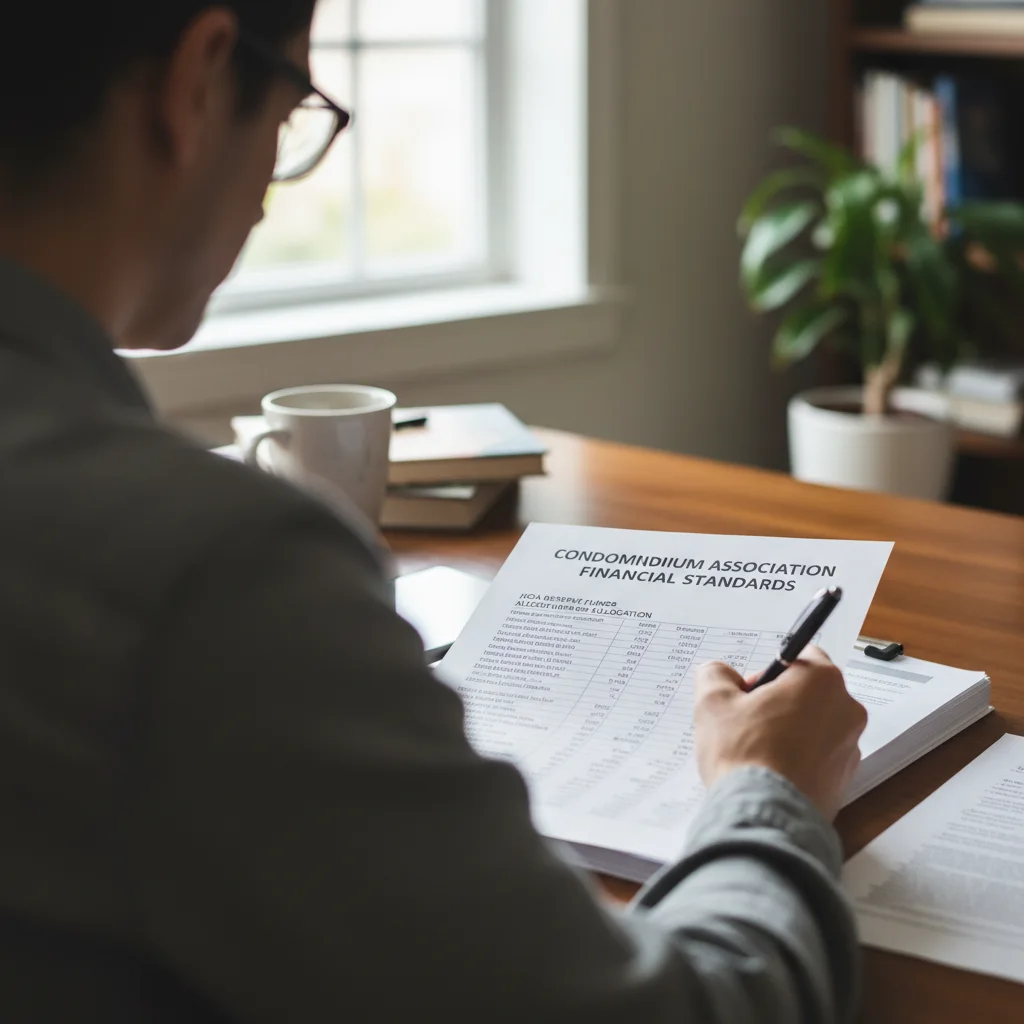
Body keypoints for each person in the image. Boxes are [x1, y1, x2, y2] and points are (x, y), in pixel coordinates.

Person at [0, 2, 868, 1021]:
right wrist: (768, 786)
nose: (273, 198)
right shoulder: (214, 573)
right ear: (199, 80)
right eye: (291, 117)